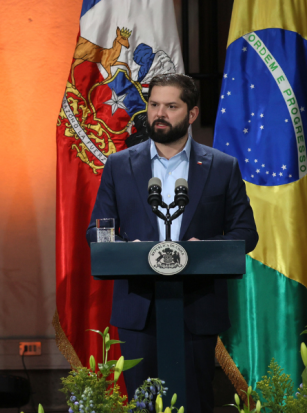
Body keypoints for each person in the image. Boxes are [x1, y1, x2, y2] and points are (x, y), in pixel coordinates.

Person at [86, 74, 258, 413]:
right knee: (143, 405)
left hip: (196, 309)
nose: (159, 113)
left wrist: (202, 247)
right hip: (139, 309)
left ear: (192, 114)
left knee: (193, 402)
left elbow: (245, 233)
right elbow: (96, 230)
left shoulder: (222, 167)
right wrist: (127, 246)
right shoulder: (120, 165)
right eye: (153, 105)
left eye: (171, 106)